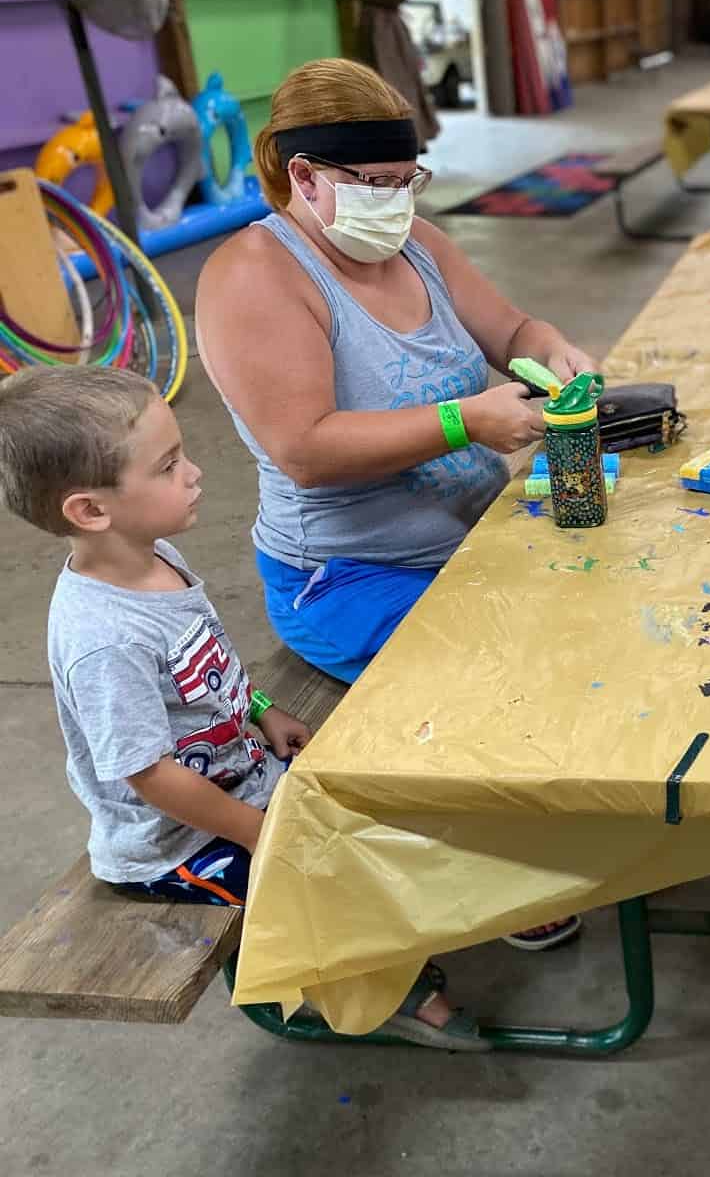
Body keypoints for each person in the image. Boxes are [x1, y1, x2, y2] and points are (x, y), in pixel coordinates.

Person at [196, 58, 582, 951]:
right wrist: (463, 420)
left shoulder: (415, 242)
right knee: (512, 683)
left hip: (473, 541)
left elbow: (512, 332)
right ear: (304, 178)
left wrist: (548, 347)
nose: (396, 202)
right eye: (373, 185)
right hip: (349, 573)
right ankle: (491, 863)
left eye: (407, 182)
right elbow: (305, 445)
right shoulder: (255, 275)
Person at [0, 366, 487, 1049]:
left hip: (245, 779)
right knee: (327, 884)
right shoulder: (102, 639)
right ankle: (384, 998)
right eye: (169, 466)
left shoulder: (151, 555)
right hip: (180, 843)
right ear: (90, 510)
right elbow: (146, 775)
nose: (196, 473)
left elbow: (204, 667)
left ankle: (381, 950)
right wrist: (262, 836)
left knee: (384, 816)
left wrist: (259, 708)